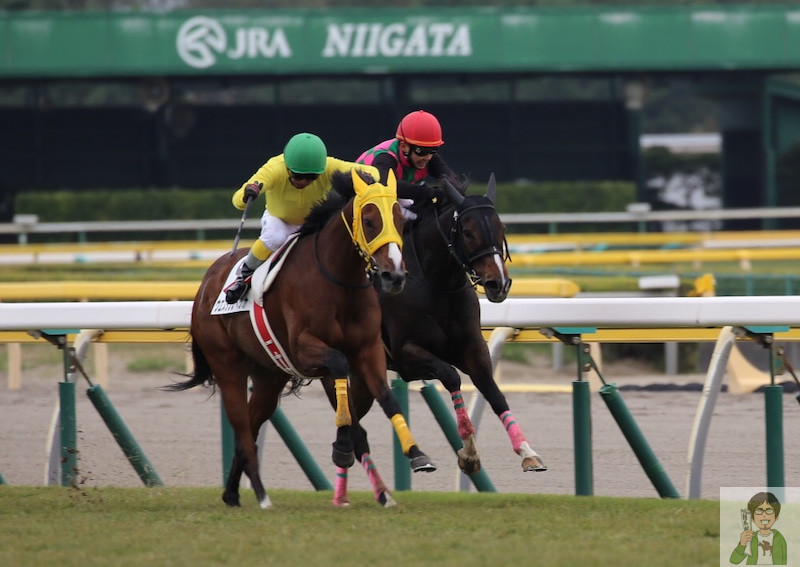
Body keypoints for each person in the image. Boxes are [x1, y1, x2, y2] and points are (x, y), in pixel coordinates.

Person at [225, 132, 379, 304]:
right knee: (274, 237)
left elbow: (372, 170)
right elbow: (237, 199)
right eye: (298, 176)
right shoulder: (274, 168)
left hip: (314, 223)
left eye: (312, 177)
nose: (304, 181)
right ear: (288, 168)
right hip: (280, 221)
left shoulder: (328, 166)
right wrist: (247, 194)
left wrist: (368, 177)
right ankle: (243, 275)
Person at [357, 110, 458, 212]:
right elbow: (390, 187)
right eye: (421, 151)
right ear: (404, 146)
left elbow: (452, 180)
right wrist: (429, 192)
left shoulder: (428, 156)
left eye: (433, 150)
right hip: (361, 198)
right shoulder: (385, 158)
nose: (428, 157)